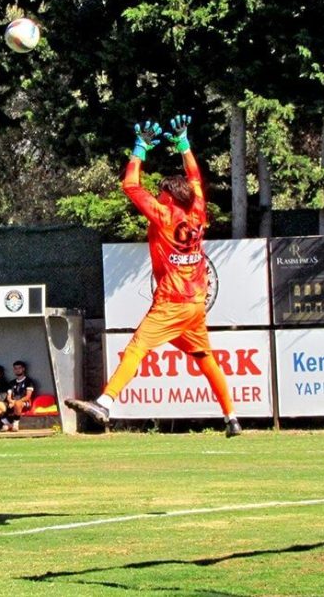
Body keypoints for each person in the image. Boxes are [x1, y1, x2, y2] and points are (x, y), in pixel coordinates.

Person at [66, 115, 242, 437]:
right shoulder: (198, 210)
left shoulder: (164, 214)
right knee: (205, 359)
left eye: (162, 193)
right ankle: (232, 417)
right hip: (195, 305)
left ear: (170, 199)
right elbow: (196, 179)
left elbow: (131, 185)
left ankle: (105, 403)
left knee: (136, 348)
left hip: (171, 303)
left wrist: (140, 147)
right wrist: (184, 144)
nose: (158, 196)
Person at [4, 360, 37, 432]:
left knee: (18, 403)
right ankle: (8, 424)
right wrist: (10, 401)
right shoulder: (12, 382)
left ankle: (15, 423)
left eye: (19, 368)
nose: (17, 370)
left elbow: (28, 396)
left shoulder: (29, 381)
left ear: (23, 369)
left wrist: (15, 402)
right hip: (13, 402)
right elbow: (9, 396)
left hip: (25, 402)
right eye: (15, 368)